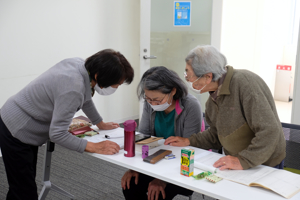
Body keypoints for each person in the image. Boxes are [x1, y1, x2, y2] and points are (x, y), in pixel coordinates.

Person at [0, 49, 134, 200]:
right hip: (17, 127)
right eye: (117, 84)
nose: (116, 87)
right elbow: (57, 134)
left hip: (20, 118)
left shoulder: (81, 66)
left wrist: (100, 123)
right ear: (99, 76)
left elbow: (85, 97)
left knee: (23, 181)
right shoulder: (73, 87)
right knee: (23, 191)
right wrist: (93, 146)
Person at [165, 45, 286, 171]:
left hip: (263, 163)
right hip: (238, 161)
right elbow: (217, 135)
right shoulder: (213, 98)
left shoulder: (245, 84)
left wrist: (244, 160)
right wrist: (189, 141)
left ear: (208, 77)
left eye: (189, 75)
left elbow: (269, 131)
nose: (187, 79)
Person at [121, 66, 204, 200]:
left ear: (173, 91)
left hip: (183, 165)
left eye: (158, 100)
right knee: (130, 185)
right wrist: (134, 168)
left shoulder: (191, 105)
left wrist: (162, 180)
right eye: (148, 98)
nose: (153, 103)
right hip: (158, 158)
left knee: (158, 194)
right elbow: (143, 138)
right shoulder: (151, 103)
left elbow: (190, 149)